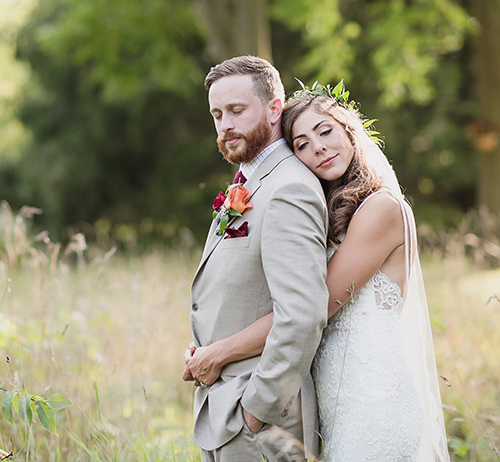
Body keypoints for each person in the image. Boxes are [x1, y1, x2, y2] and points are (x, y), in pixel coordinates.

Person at [184, 85, 450, 461]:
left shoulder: (381, 209)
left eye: (325, 132)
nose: (318, 148)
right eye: (302, 144)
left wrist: (219, 353)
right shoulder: (331, 209)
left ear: (349, 130)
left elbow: (313, 307)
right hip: (335, 398)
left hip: (372, 398)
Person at [183, 56, 329, 461]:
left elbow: (301, 314)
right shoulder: (251, 182)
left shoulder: (289, 189)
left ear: (274, 108)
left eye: (236, 110)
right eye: (216, 114)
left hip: (262, 420)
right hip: (222, 405)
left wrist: (255, 412)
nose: (225, 124)